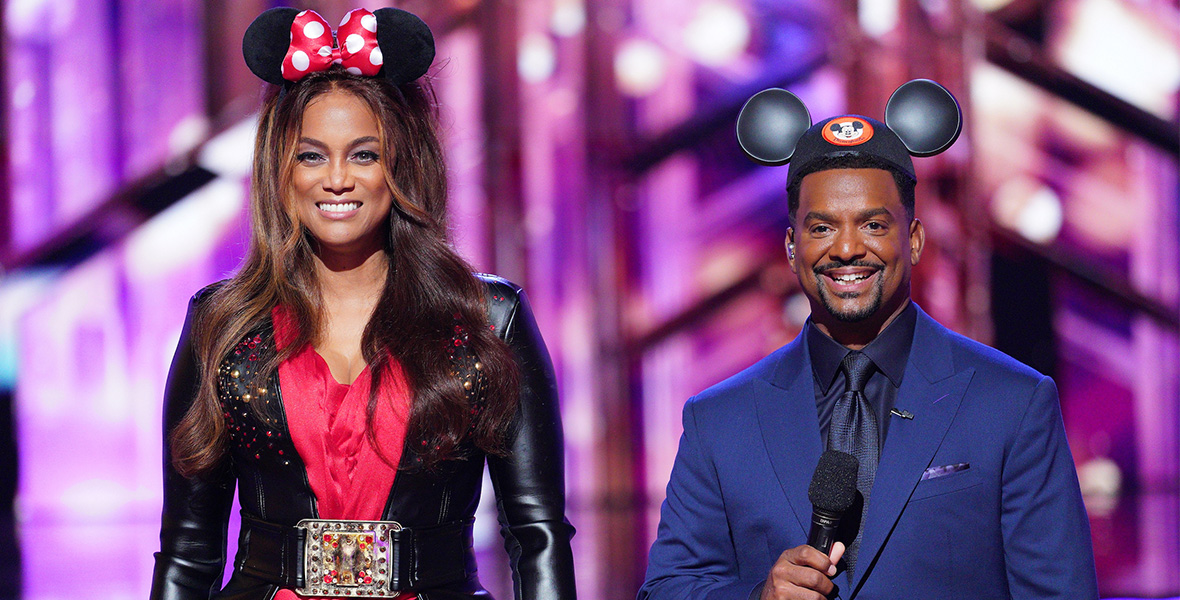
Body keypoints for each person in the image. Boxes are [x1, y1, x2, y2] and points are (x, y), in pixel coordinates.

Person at [149, 7, 576, 600]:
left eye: (364, 155)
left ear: (399, 164)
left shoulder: (487, 319)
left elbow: (538, 536)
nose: (338, 179)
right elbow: (187, 551)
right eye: (312, 155)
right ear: (281, 171)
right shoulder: (221, 323)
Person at [638, 81, 1098, 599]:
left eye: (874, 224)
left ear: (915, 240)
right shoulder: (719, 419)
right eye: (821, 228)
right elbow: (667, 591)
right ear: (792, 247)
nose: (848, 248)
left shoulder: (1012, 402)